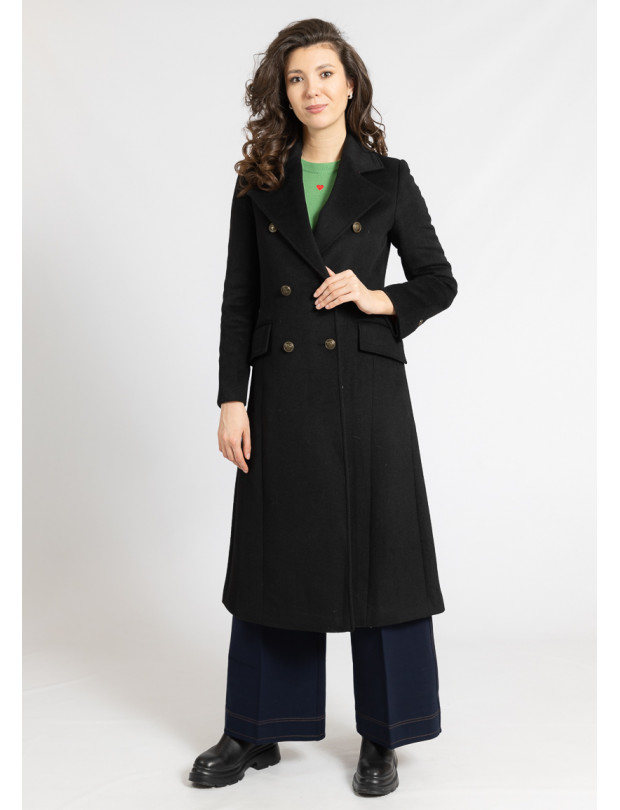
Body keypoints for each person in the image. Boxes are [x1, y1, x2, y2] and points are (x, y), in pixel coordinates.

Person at [188, 17, 458, 797]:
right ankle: (256, 727)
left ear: (350, 83)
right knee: (274, 554)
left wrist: (377, 297)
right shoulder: (259, 182)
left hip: (367, 393)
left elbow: (438, 279)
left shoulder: (388, 178)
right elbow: (239, 298)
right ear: (283, 92)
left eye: (325, 74)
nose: (313, 89)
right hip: (283, 391)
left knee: (384, 556)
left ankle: (385, 733)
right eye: (297, 77)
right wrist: (230, 400)